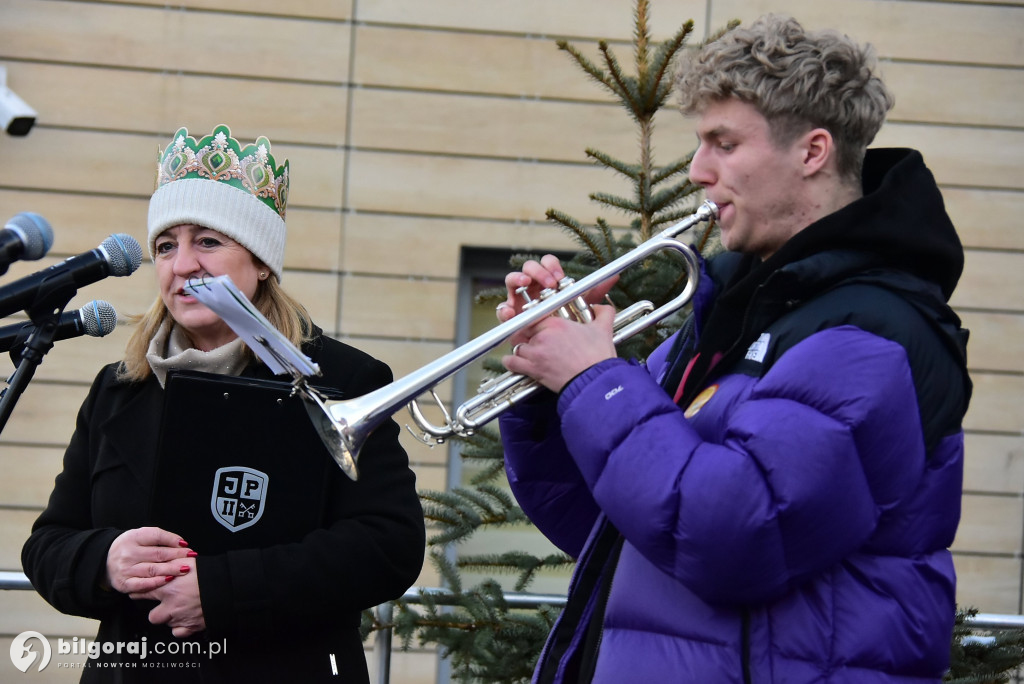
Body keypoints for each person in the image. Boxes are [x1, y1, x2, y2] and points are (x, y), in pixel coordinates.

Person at [494, 15, 971, 683]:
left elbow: (733, 536)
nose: (697, 170)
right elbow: (616, 530)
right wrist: (555, 386)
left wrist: (595, 380)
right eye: (699, 143)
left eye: (723, 143)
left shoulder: (873, 333)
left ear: (812, 152)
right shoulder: (731, 311)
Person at [21, 124, 425, 683]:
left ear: (260, 263)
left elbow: (387, 545)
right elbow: (47, 545)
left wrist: (222, 591)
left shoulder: (343, 378)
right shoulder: (118, 388)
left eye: (208, 241)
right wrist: (106, 561)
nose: (182, 264)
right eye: (166, 246)